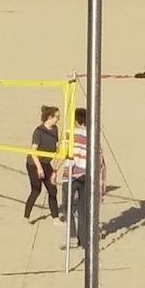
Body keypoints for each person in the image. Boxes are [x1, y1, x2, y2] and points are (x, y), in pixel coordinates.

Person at [62, 107, 103, 250]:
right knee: (82, 208)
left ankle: (73, 237)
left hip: (71, 174)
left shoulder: (69, 134)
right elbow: (99, 157)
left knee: (67, 207)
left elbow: (63, 152)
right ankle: (83, 239)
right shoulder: (93, 136)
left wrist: (55, 170)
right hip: (87, 174)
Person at [24, 105, 62, 222]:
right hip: (34, 163)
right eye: (57, 116)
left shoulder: (55, 129)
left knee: (52, 189)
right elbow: (33, 152)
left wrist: (55, 171)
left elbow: (56, 150)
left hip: (46, 163)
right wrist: (39, 168)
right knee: (36, 190)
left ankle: (55, 217)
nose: (58, 119)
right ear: (49, 117)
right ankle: (26, 216)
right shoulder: (38, 131)